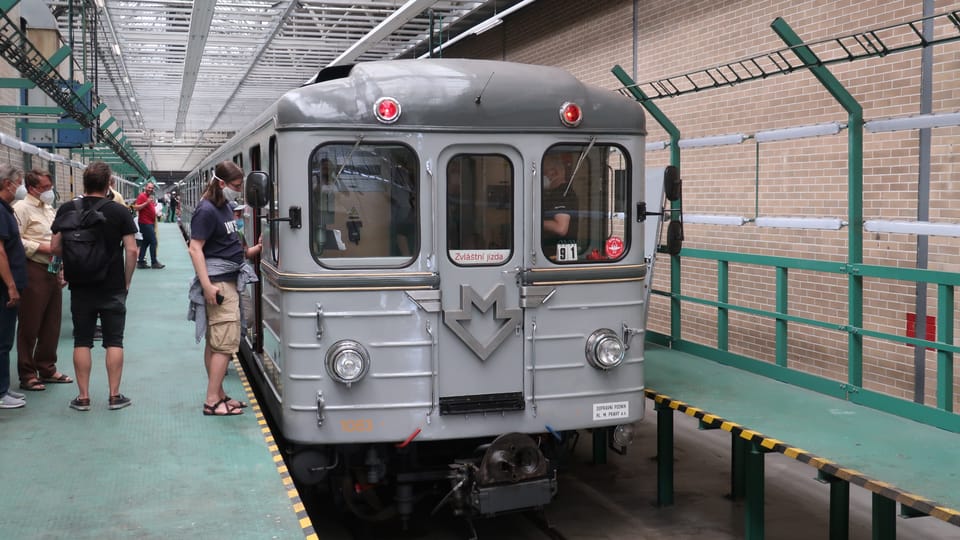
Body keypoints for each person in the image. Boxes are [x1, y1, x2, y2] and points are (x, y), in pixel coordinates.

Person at [51, 161, 139, 412]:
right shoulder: (119, 211)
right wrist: (127, 280)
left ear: (84, 183)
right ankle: (114, 396)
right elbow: (131, 250)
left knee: (82, 340)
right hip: (112, 285)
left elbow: (56, 247)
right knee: (114, 340)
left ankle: (83, 397)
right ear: (109, 183)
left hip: (80, 285)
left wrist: (62, 268)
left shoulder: (66, 209)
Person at [187, 161, 259, 416]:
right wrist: (207, 285)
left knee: (215, 342)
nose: (239, 191)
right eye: (236, 186)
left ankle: (219, 394)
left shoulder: (224, 207)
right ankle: (211, 402)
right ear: (221, 183)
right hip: (219, 283)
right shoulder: (206, 210)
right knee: (224, 344)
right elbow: (195, 248)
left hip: (228, 279)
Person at [14, 169, 71, 392]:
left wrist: (61, 267)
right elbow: (15, 241)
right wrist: (41, 247)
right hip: (33, 269)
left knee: (51, 322)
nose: (50, 191)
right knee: (30, 323)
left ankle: (47, 367)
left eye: (50, 187)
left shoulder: (49, 209)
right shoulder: (21, 209)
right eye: (45, 188)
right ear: (32, 188)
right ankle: (27, 373)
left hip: (52, 268)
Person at [0, 164, 27, 409]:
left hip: (8, 285)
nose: (20, 187)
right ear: (7, 184)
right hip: (3, 288)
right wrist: (10, 285)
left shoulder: (6, 210)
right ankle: (0, 392)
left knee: (5, 339)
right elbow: (0, 253)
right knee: (2, 339)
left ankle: (4, 387)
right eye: (18, 183)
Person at [541, 153, 579, 259]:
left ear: (553, 172)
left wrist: (535, 222)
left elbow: (561, 228)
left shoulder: (563, 193)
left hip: (555, 257)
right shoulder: (556, 193)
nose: (542, 176)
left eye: (543, 172)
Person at [133, 181, 164, 269]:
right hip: (145, 223)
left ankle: (141, 261)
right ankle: (154, 262)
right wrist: (146, 203)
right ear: (145, 187)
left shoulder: (149, 197)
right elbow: (136, 207)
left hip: (149, 223)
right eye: (149, 187)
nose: (150, 189)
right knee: (153, 241)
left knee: (145, 243)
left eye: (152, 188)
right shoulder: (142, 196)